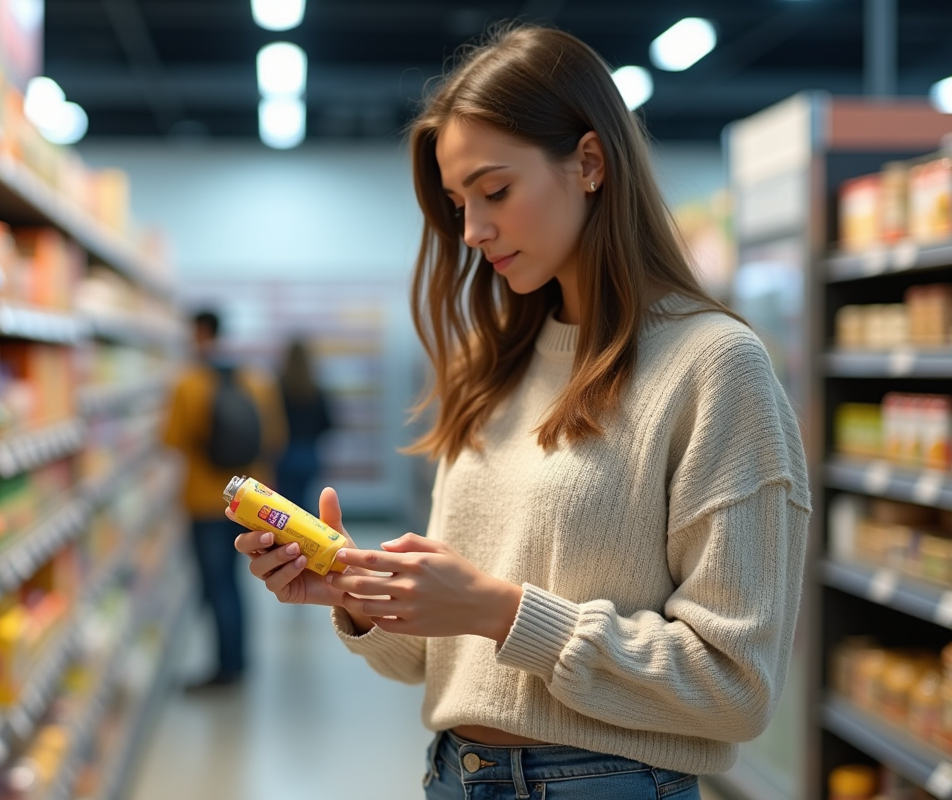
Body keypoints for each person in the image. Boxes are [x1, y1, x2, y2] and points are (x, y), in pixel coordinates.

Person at [232, 23, 809, 799]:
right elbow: (440, 659)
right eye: (458, 203)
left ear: (592, 162)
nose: (472, 232)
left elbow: (738, 685)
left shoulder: (712, 366)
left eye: (495, 191)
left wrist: (503, 612)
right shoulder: (489, 367)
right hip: (455, 776)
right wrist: (355, 591)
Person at [163, 309, 286, 689]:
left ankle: (225, 667)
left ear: (199, 333)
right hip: (251, 502)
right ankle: (239, 660)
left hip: (204, 500)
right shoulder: (257, 381)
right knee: (239, 583)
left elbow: (171, 438)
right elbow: (276, 438)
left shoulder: (188, 383)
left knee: (216, 585)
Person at [274, 338, 333, 511]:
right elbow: (328, 423)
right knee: (307, 503)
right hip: (309, 452)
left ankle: (287, 536)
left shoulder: (278, 387)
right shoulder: (316, 388)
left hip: (284, 453)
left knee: (285, 503)